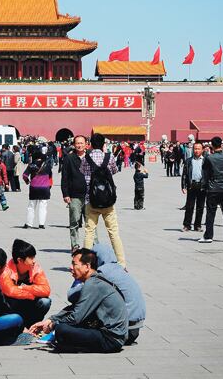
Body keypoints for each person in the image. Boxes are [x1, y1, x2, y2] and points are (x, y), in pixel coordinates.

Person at [30, 248, 127, 353]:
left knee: (61, 329)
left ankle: (73, 346)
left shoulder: (93, 284)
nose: (71, 267)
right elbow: (75, 308)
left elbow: (75, 318)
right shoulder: (95, 281)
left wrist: (52, 325)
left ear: (87, 266)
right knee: (63, 328)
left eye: (74, 264)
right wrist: (50, 320)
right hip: (111, 335)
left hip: (111, 339)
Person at [83, 133, 126, 268]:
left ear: (90, 144)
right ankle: (121, 263)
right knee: (113, 233)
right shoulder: (109, 157)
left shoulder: (86, 158)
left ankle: (86, 263)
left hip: (91, 200)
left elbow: (83, 173)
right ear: (103, 144)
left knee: (89, 232)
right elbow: (114, 171)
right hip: (108, 201)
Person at [92, 244, 145, 345]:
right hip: (135, 329)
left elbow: (75, 294)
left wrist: (79, 278)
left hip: (122, 330)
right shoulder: (119, 269)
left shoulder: (103, 272)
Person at [0, 239, 51, 328]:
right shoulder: (6, 270)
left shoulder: (35, 267)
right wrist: (32, 295)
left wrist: (23, 287)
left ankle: (33, 326)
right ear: (20, 260)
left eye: (34, 257)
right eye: (31, 258)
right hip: (12, 304)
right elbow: (10, 291)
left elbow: (46, 290)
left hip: (29, 302)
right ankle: (13, 326)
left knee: (45, 302)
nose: (34, 261)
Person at [199, 136, 223, 243]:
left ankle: (208, 236)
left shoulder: (209, 158)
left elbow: (205, 174)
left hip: (213, 188)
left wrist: (203, 186)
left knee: (211, 213)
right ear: (221, 144)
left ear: (212, 145)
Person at [61, 135, 89, 252]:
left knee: (91, 223)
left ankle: (92, 245)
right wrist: (65, 194)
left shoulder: (90, 157)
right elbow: (65, 177)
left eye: (81, 143)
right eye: (77, 143)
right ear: (74, 145)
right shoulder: (69, 158)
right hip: (74, 195)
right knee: (74, 221)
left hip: (89, 195)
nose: (79, 145)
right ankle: (75, 245)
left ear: (86, 144)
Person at [180, 142, 207, 231]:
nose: (197, 151)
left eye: (198, 149)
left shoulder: (206, 161)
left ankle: (197, 225)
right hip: (191, 186)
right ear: (193, 150)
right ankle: (187, 225)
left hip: (202, 186)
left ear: (202, 150)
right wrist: (183, 186)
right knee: (189, 206)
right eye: (195, 149)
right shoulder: (189, 161)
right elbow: (184, 174)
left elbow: (208, 174)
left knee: (200, 207)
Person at [22, 152, 52, 229]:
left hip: (34, 188)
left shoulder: (31, 165)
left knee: (31, 206)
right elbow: (50, 177)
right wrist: (49, 186)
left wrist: (27, 181)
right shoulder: (47, 165)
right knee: (43, 207)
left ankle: (29, 224)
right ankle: (41, 224)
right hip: (45, 188)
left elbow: (24, 175)